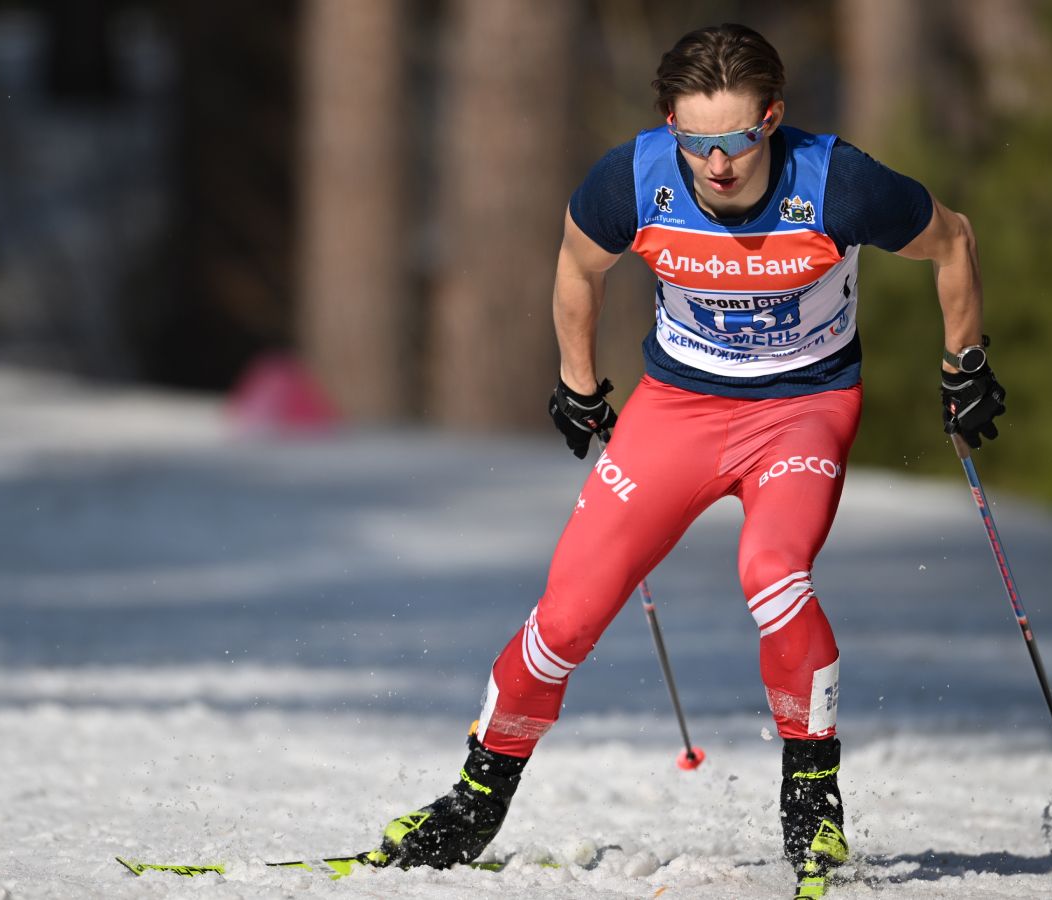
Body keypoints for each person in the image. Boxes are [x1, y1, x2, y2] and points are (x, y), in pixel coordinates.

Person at [362, 22, 1005, 899]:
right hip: (679, 410)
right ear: (670, 123)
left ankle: (812, 802)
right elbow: (578, 266)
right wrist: (577, 383)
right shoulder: (632, 177)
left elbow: (954, 240)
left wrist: (963, 364)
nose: (720, 164)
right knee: (566, 618)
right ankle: (475, 800)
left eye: (740, 139)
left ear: (772, 118)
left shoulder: (839, 183)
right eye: (697, 143)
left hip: (801, 408)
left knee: (773, 573)